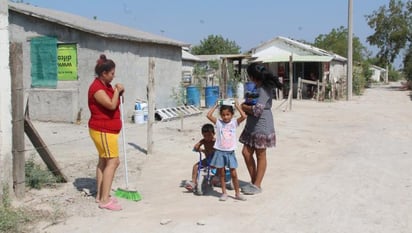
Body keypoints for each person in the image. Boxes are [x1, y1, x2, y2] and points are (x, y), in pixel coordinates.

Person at [88, 54, 124, 211]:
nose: (113, 76)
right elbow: (110, 105)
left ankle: (101, 195)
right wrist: (117, 91)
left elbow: (116, 103)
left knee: (104, 161)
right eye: (111, 73)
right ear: (104, 73)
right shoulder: (96, 88)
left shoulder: (106, 86)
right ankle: (104, 200)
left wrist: (118, 92)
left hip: (108, 129)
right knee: (113, 162)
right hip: (102, 129)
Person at [239, 63, 282, 195]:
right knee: (246, 153)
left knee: (260, 154)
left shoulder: (264, 89)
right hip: (252, 125)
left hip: (262, 125)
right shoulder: (257, 87)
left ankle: (257, 185)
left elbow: (257, 110)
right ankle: (254, 181)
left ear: (252, 76)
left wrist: (243, 107)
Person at [207, 101, 247, 201]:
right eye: (223, 115)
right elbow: (208, 115)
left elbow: (244, 116)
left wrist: (237, 106)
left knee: (234, 173)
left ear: (232, 115)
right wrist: (216, 105)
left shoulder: (234, 123)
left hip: (230, 152)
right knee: (222, 174)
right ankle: (224, 193)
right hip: (220, 152)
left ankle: (237, 193)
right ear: (221, 115)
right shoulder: (218, 123)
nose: (225, 117)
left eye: (228, 114)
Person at [185, 123, 216, 191]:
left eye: (209, 135)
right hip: (208, 160)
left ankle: (219, 179)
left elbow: (219, 149)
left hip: (216, 160)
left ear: (214, 134)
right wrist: (199, 148)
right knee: (195, 166)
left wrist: (213, 150)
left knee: (219, 170)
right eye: (205, 135)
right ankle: (193, 182)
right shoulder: (203, 141)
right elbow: (196, 146)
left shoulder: (216, 141)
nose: (207, 137)